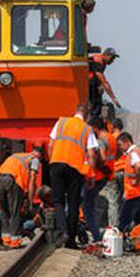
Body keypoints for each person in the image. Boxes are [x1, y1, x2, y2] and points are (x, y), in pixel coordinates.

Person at [49, 104, 98, 249]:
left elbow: (51, 144)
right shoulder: (87, 129)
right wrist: (91, 176)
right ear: (86, 116)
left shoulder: (61, 122)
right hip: (75, 169)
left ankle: (63, 231)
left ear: (74, 113)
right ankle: (70, 240)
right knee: (73, 204)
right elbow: (92, 155)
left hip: (56, 164)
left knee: (57, 201)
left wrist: (52, 162)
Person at [0, 147, 43, 248]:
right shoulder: (34, 159)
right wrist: (30, 201)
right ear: (39, 155)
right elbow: (32, 179)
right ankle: (15, 241)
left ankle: (6, 240)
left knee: (4, 210)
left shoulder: (16, 155)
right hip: (13, 180)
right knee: (15, 211)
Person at [82, 118, 115, 243]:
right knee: (88, 204)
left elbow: (102, 157)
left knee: (88, 207)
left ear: (95, 127)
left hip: (98, 176)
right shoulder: (111, 137)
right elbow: (114, 156)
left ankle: (96, 236)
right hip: (106, 176)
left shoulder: (100, 140)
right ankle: (94, 233)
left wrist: (97, 166)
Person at [117, 132, 140, 231]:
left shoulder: (133, 153)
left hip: (133, 193)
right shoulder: (138, 151)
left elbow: (139, 166)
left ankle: (121, 243)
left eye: (120, 144)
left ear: (127, 142)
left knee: (124, 221)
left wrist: (136, 180)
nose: (119, 148)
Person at [88, 48, 121, 119]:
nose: (113, 61)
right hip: (88, 83)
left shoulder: (99, 59)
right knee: (96, 103)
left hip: (90, 81)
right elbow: (104, 82)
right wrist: (114, 98)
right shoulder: (98, 62)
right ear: (106, 56)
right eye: (112, 58)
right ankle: (94, 120)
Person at [108, 118, 125, 225]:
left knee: (113, 201)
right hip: (125, 172)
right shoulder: (125, 139)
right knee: (124, 199)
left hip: (113, 172)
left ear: (113, 127)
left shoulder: (110, 139)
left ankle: (113, 227)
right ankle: (124, 224)